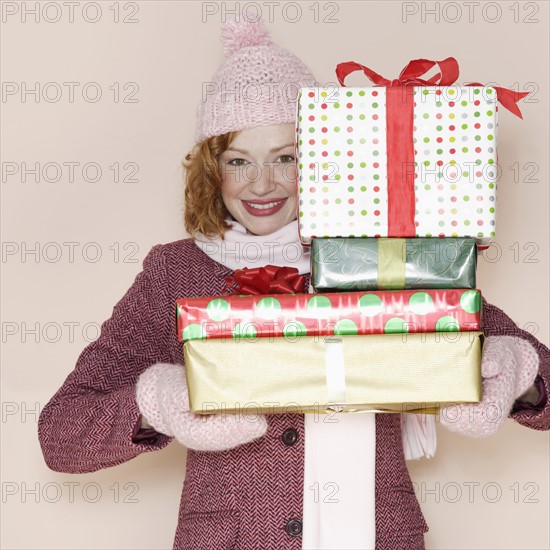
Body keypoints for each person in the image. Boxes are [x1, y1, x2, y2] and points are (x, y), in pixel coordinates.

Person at [38, 15, 549, 550]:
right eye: (239, 160)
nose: (262, 184)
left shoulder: (388, 254)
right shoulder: (174, 273)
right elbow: (61, 437)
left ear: (329, 161)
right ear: (212, 170)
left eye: (287, 157)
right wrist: (157, 401)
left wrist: (519, 372)